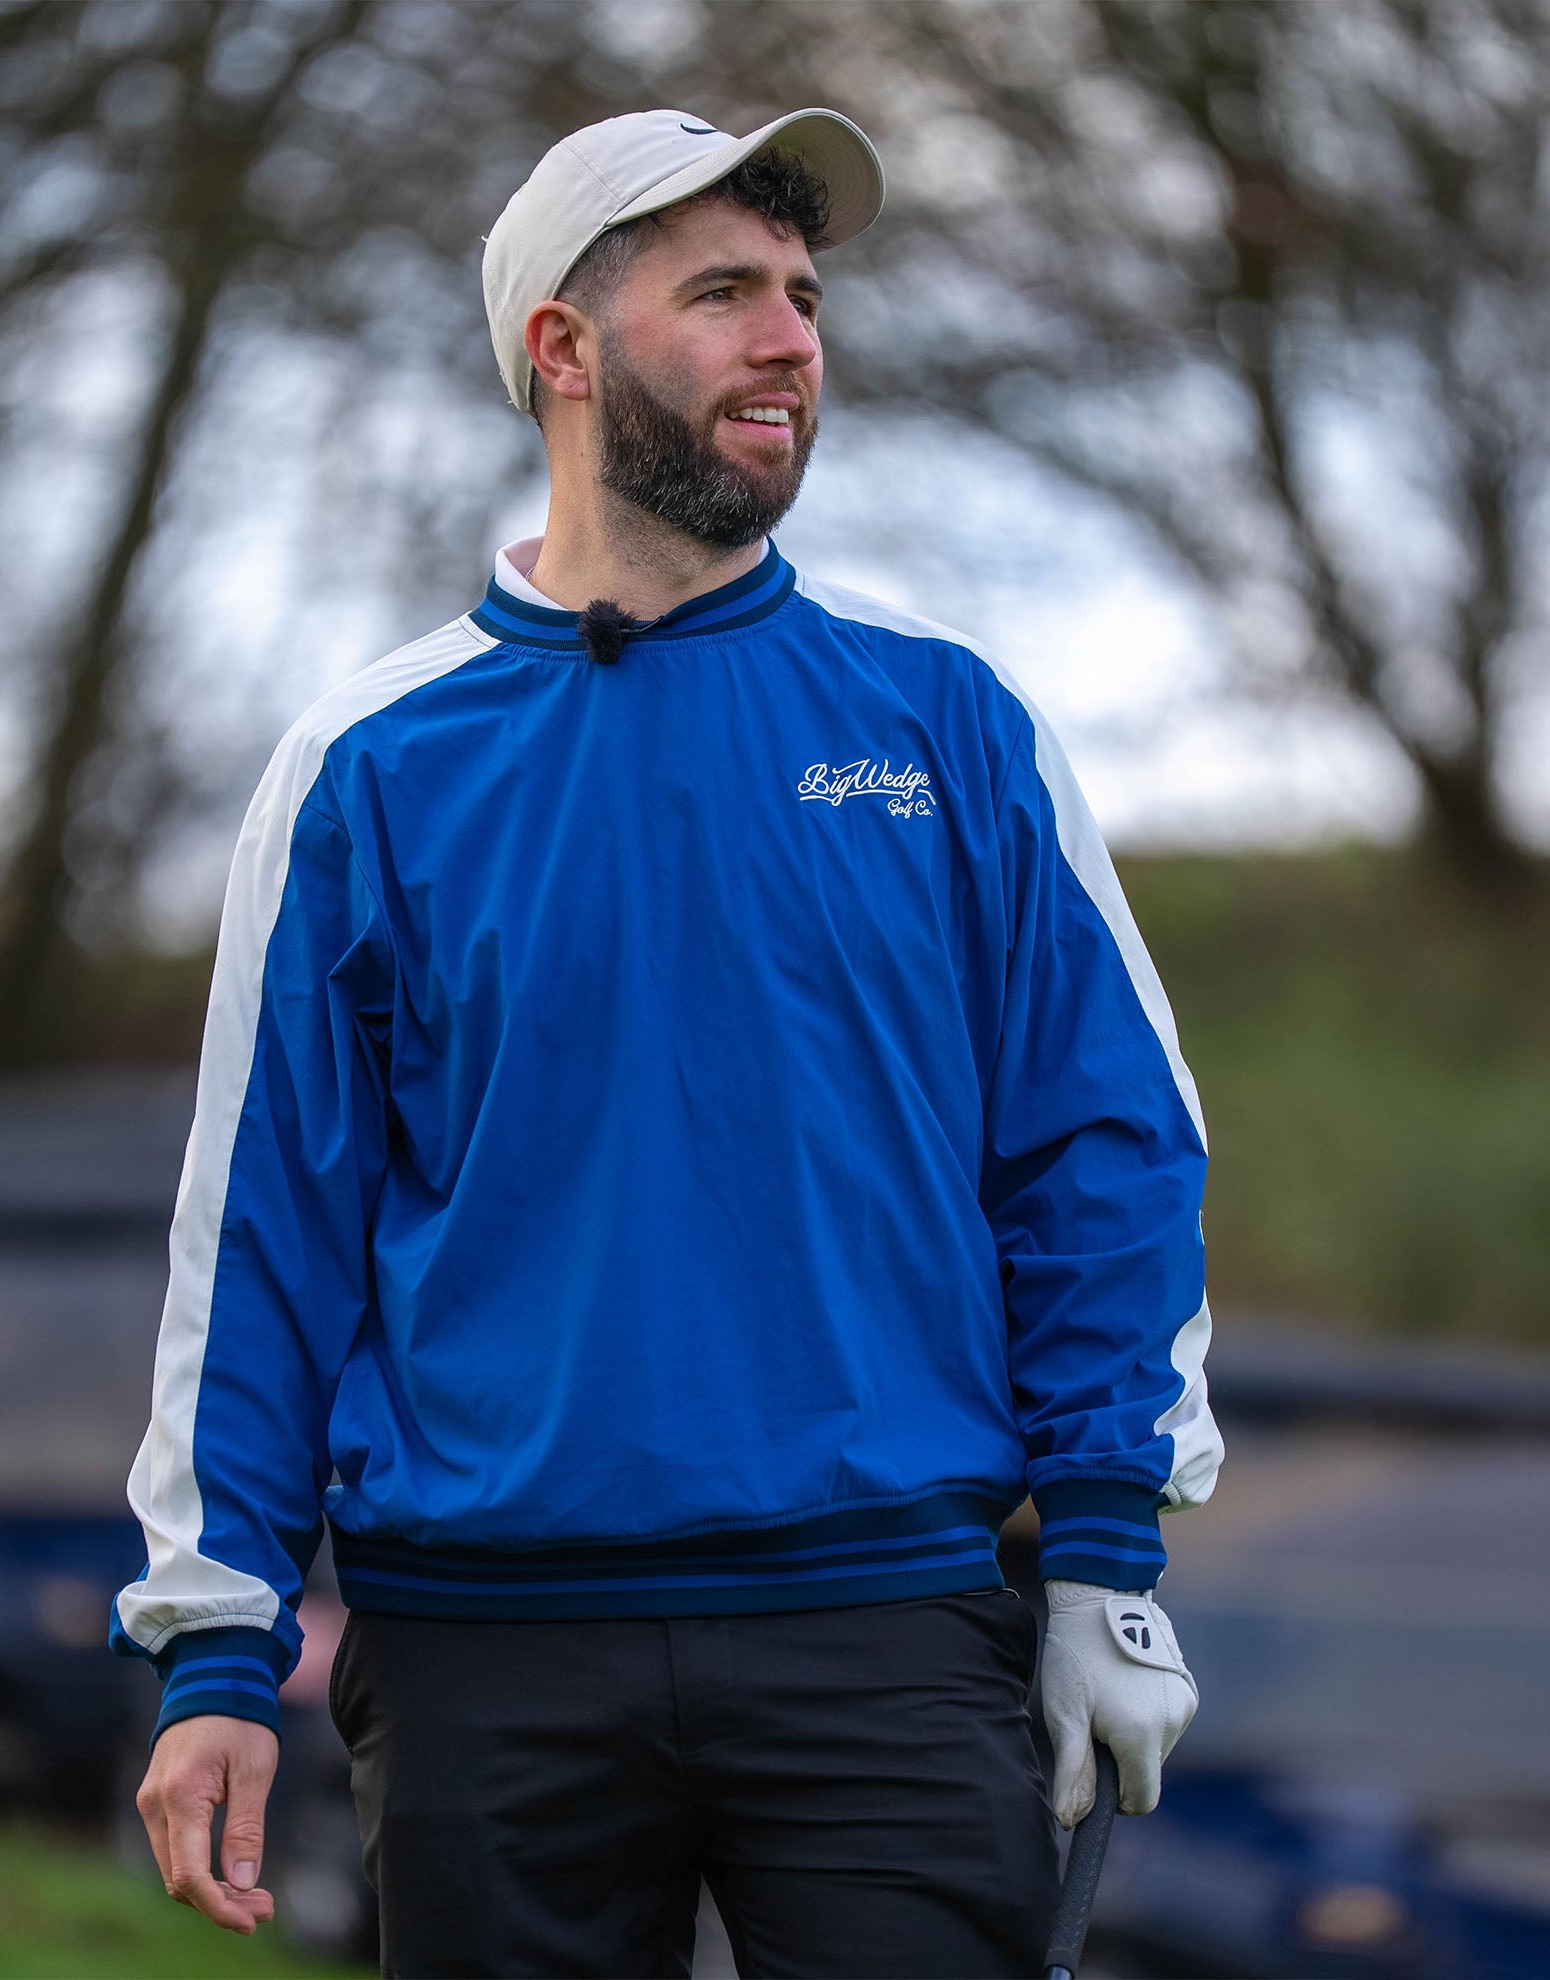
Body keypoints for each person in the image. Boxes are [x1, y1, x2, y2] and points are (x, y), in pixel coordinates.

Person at [112, 105, 1223, 1979]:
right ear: (562, 348)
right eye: (723, 293)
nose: (793, 337)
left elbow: (1106, 1142)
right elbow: (261, 1239)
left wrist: (1108, 1554)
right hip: (488, 1661)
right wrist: (218, 1643)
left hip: (889, 1631)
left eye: (803, 295)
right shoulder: (365, 768)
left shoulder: (948, 719)